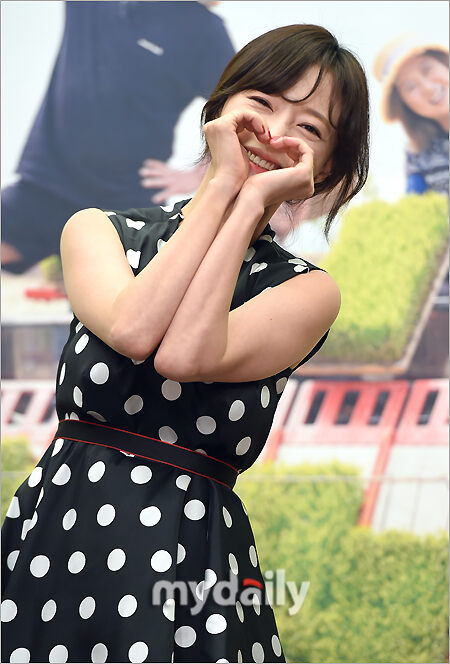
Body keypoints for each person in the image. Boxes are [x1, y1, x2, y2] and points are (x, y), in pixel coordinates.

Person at [1, 24, 369, 663]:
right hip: (59, 533)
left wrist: (249, 201)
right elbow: (135, 330)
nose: (274, 131)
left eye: (309, 128)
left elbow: (184, 356)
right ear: (218, 110)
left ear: (327, 167)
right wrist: (222, 187)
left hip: (191, 557)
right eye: (262, 102)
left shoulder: (307, 290)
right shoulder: (99, 231)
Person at [1, 0, 234, 277]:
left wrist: (198, 174)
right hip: (44, 184)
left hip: (125, 201)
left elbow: (237, 106)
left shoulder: (204, 31)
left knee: (122, 290)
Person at [373, 33, 449, 196]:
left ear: (444, 63)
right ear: (404, 104)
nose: (428, 88)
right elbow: (415, 204)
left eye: (427, 69)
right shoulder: (418, 157)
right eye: (410, 87)